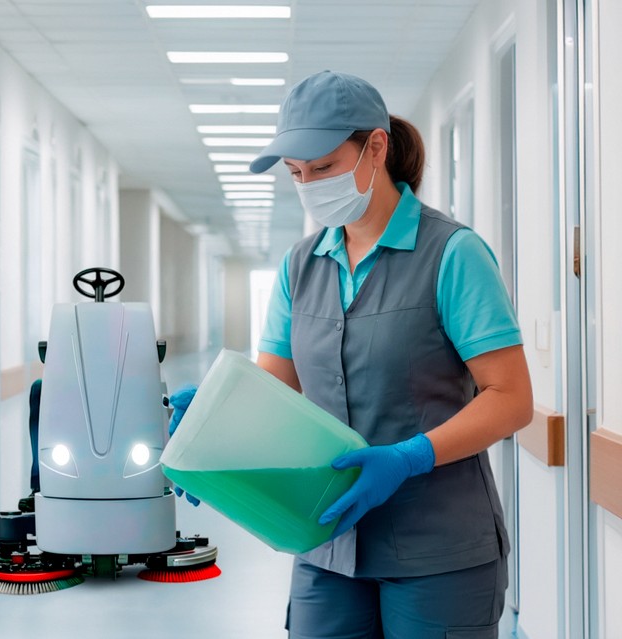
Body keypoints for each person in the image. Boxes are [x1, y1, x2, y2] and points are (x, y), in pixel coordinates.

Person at [170, 70, 533, 638]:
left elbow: (511, 399)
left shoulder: (452, 254)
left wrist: (411, 456)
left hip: (438, 551)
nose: (310, 184)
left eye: (324, 167)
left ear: (377, 147)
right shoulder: (300, 266)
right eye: (297, 174)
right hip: (326, 544)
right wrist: (211, 426)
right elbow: (273, 396)